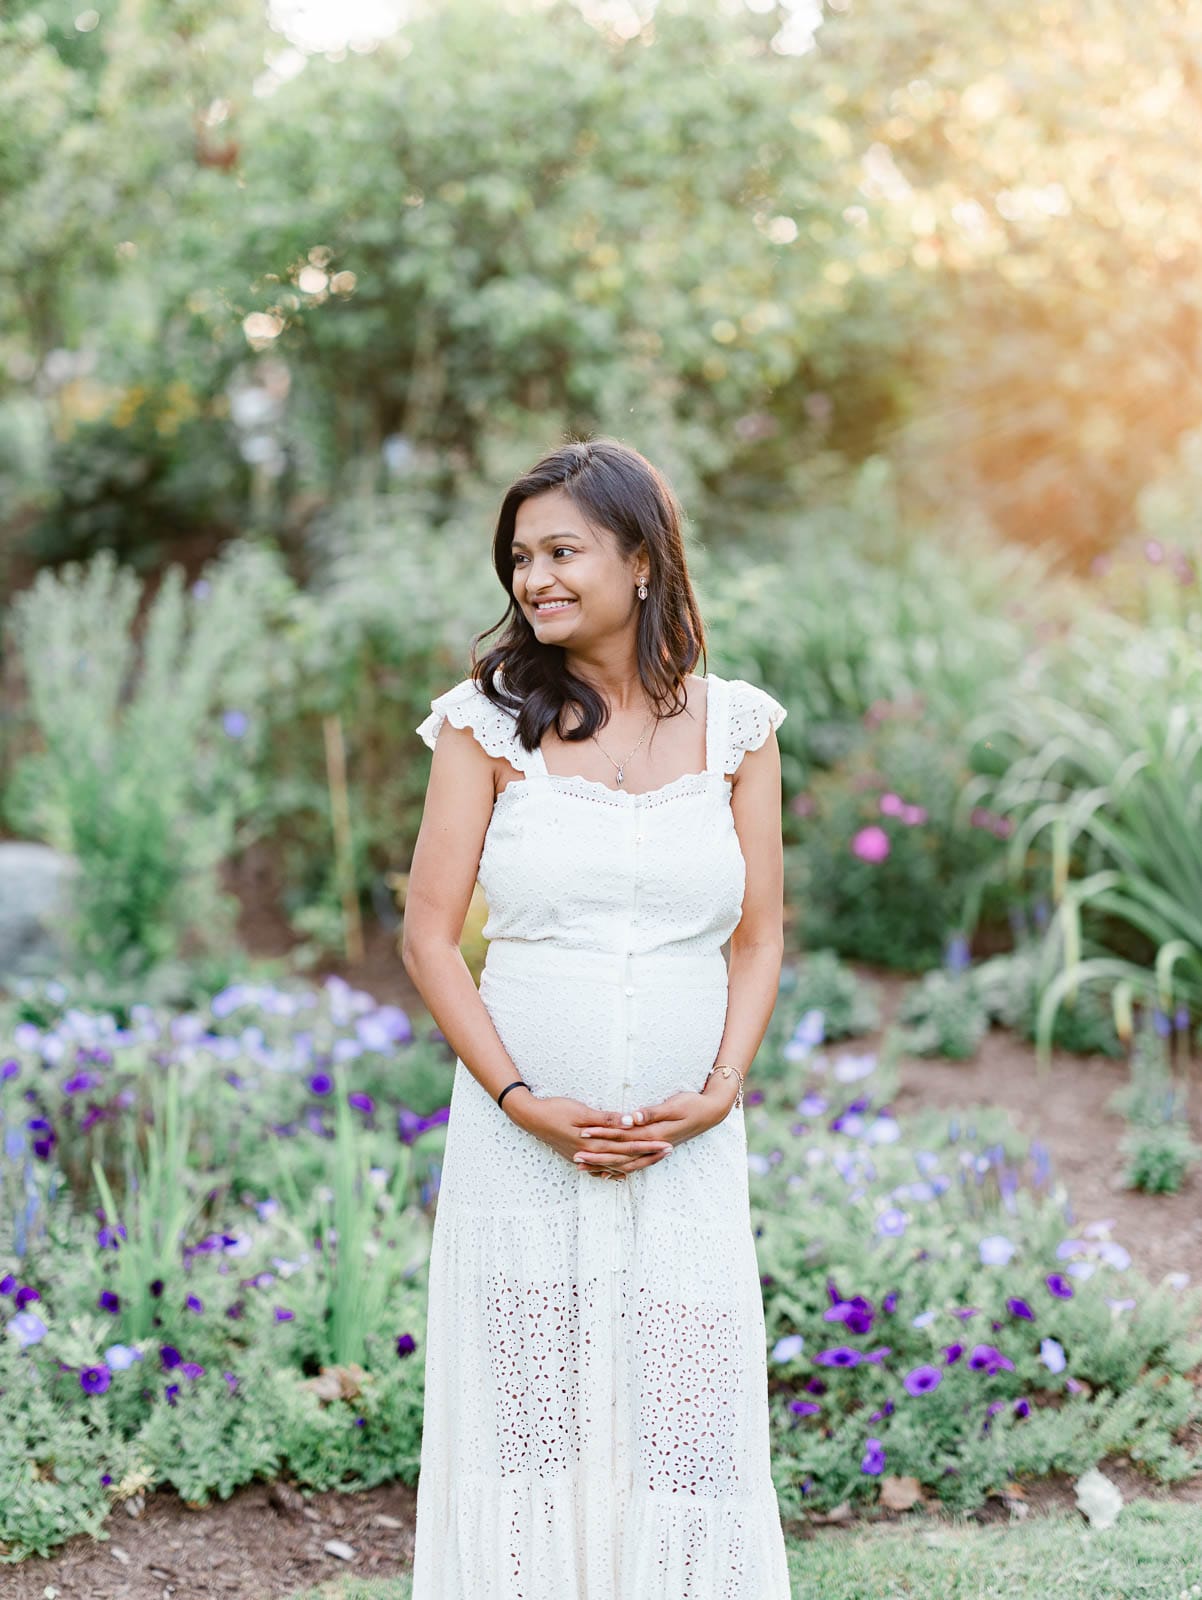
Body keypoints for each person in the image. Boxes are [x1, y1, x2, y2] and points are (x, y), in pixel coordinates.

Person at [402, 437, 792, 1597]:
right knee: (527, 1426)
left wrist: (717, 1093)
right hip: (518, 1145)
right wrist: (525, 1104)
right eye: (519, 558)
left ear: (639, 557)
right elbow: (429, 934)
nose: (534, 579)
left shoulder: (736, 728)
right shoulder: (483, 723)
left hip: (688, 1143)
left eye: (562, 550)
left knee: (685, 1421)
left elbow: (759, 932)